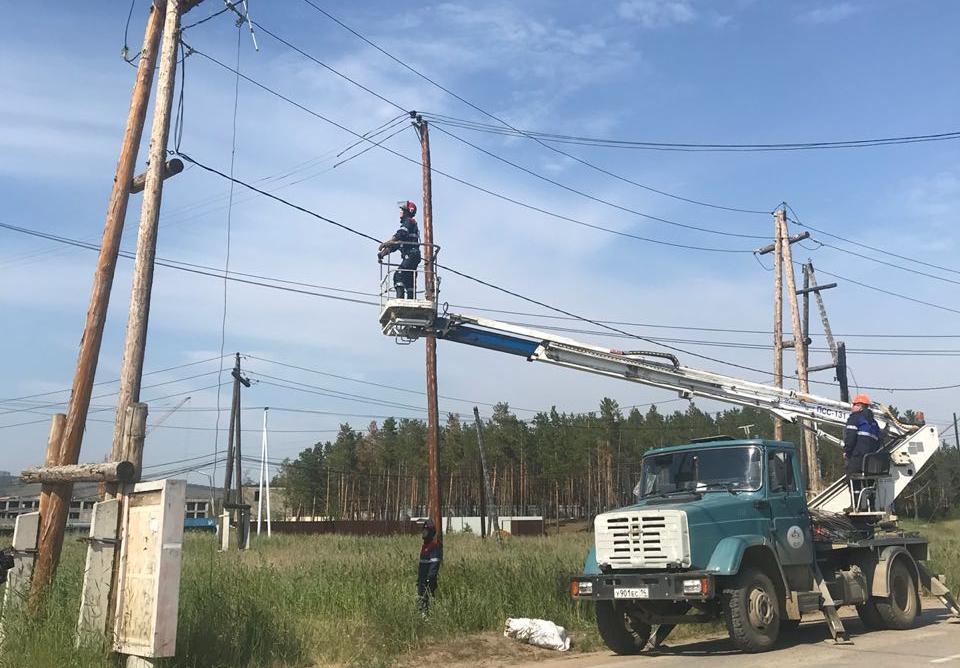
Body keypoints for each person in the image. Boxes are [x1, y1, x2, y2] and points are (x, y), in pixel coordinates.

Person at [844, 393, 883, 508]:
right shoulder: (874, 423)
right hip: (871, 460)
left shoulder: (854, 418)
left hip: (858, 457)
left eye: (854, 404)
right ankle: (871, 505)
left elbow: (850, 438)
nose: (852, 407)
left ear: (860, 406)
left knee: (851, 478)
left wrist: (847, 451)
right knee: (869, 480)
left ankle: (855, 505)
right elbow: (878, 441)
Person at [378, 200, 421, 299]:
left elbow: (401, 234)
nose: (400, 212)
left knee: (399, 275)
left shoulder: (409, 222)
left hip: (411, 255)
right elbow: (396, 245)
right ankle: (411, 300)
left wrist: (388, 242)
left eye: (402, 210)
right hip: (413, 256)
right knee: (409, 279)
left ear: (407, 212)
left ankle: (400, 301)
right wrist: (383, 253)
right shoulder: (411, 224)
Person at [417, 518, 442, 616]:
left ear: (431, 532)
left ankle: (428, 619)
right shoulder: (425, 547)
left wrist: (429, 579)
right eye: (423, 531)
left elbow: (434, 565)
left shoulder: (434, 546)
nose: (423, 533)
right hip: (422, 580)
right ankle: (422, 617)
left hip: (428, 580)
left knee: (428, 600)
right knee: (421, 599)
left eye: (425, 531)